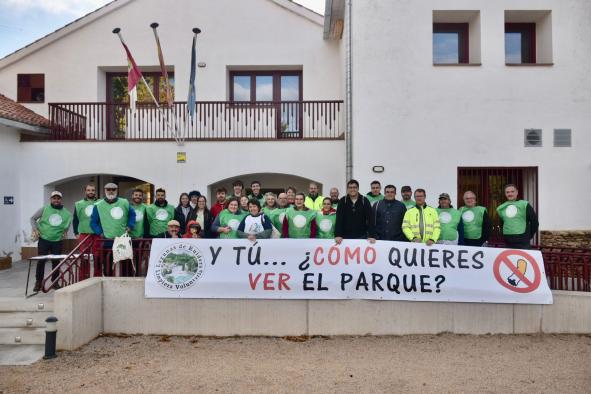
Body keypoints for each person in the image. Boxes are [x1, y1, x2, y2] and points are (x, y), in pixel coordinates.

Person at [30, 191, 72, 292]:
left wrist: (64, 232)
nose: (56, 200)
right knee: (41, 261)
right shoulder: (44, 209)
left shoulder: (66, 213)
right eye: (54, 198)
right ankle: (38, 282)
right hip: (44, 239)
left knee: (56, 262)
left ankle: (55, 281)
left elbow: (67, 225)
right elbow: (32, 218)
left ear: (61, 200)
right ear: (51, 199)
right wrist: (35, 229)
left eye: (58, 198)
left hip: (57, 241)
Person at [90, 183, 136, 276]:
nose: (111, 191)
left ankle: (126, 284)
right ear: (105, 190)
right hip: (107, 239)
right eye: (108, 189)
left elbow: (132, 214)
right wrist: (100, 232)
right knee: (107, 266)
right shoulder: (98, 205)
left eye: (113, 189)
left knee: (126, 266)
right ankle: (108, 282)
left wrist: (130, 225)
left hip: (123, 239)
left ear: (117, 190)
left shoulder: (124, 202)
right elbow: (93, 222)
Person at [496, 184, 539, 249]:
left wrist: (528, 236)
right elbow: (502, 223)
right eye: (507, 192)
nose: (510, 194)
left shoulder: (524, 205)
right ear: (505, 194)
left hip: (523, 242)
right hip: (508, 241)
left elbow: (534, 222)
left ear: (517, 192)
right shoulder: (501, 208)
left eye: (512, 191)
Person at [334, 179, 374, 243]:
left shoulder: (364, 200)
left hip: (362, 236)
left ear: (358, 188)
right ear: (347, 189)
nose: (352, 189)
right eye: (350, 187)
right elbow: (339, 219)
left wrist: (372, 235)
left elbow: (370, 219)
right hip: (345, 237)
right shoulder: (342, 201)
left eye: (354, 187)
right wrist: (338, 235)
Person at [72, 184, 98, 280]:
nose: (91, 192)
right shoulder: (79, 204)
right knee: (84, 257)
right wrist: (76, 232)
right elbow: (75, 219)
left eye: (92, 190)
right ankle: (83, 278)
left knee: (97, 256)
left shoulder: (100, 203)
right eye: (88, 190)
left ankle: (97, 277)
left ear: (95, 191)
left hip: (97, 234)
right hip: (84, 233)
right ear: (85, 191)